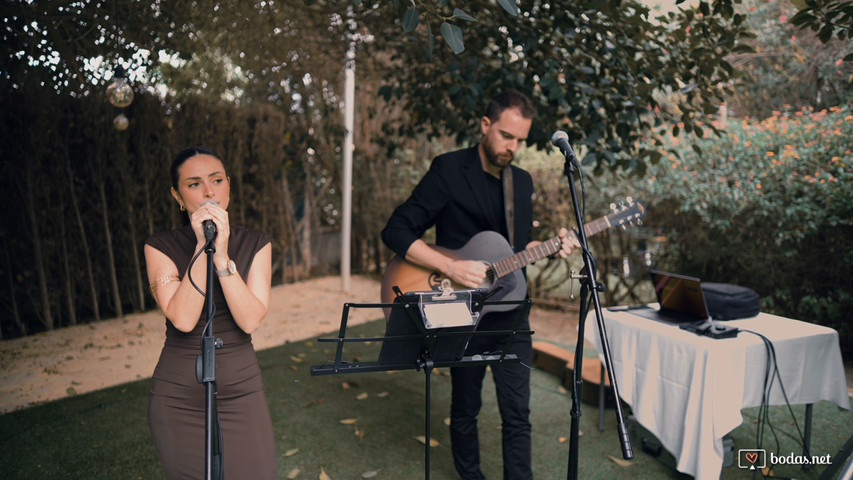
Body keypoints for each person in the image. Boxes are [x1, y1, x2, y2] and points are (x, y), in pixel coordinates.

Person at [381, 90, 579, 479]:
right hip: (462, 309)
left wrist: (550, 247)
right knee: (465, 408)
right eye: (507, 136)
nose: (513, 147)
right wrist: (449, 267)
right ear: (485, 125)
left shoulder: (520, 183)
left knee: (518, 413)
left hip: (511, 309)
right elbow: (396, 230)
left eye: (520, 140)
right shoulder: (449, 170)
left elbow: (515, 248)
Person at [144, 146, 278, 479]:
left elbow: (250, 320)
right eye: (194, 184)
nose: (208, 191)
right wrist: (203, 247)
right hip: (178, 392)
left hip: (242, 385)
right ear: (177, 194)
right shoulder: (158, 246)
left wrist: (222, 257)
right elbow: (183, 318)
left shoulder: (257, 243)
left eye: (216, 180)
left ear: (228, 185)